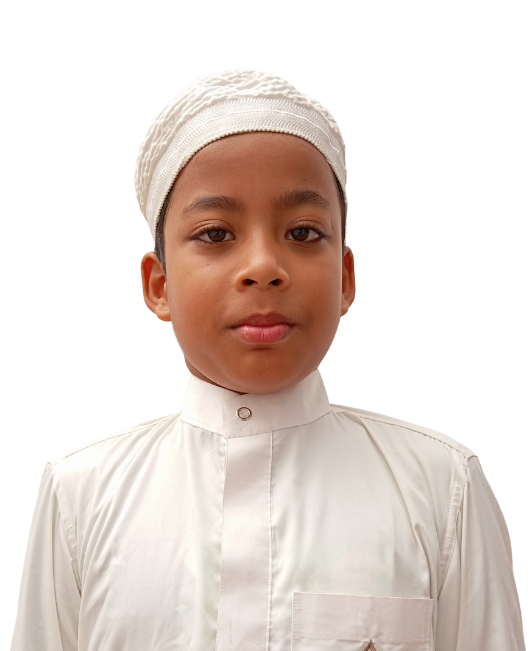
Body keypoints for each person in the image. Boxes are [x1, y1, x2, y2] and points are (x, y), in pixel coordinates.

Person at [11, 69, 525, 651]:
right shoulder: (80, 496)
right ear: (158, 285)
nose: (263, 266)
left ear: (345, 279)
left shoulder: (441, 489)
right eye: (215, 234)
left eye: (302, 233)